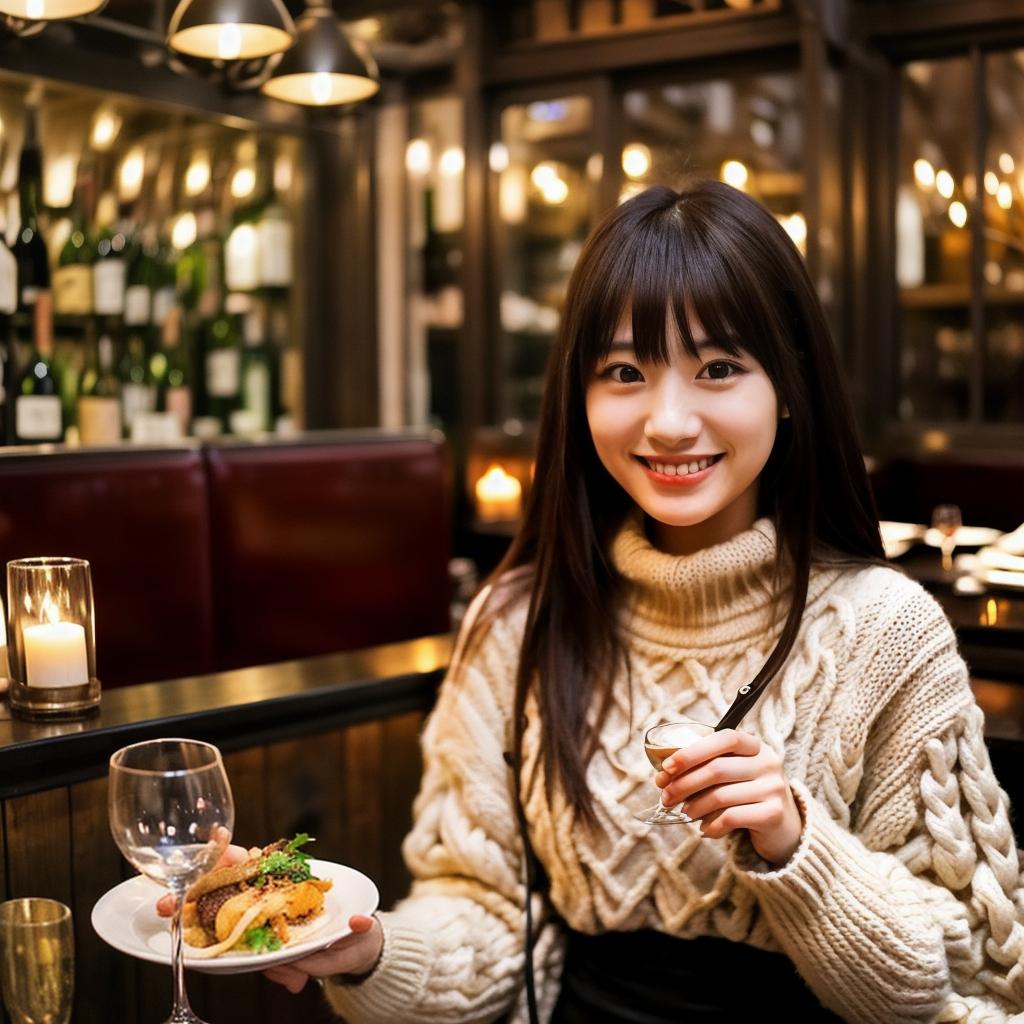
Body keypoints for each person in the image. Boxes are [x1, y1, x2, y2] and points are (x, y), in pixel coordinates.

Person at [186, 182, 1024, 1021]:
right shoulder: (518, 621)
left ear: (790, 385)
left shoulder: (886, 633)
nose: (667, 421)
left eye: (719, 368)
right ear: (578, 396)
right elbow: (483, 921)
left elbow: (956, 979)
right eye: (624, 372)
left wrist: (795, 844)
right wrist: (364, 949)